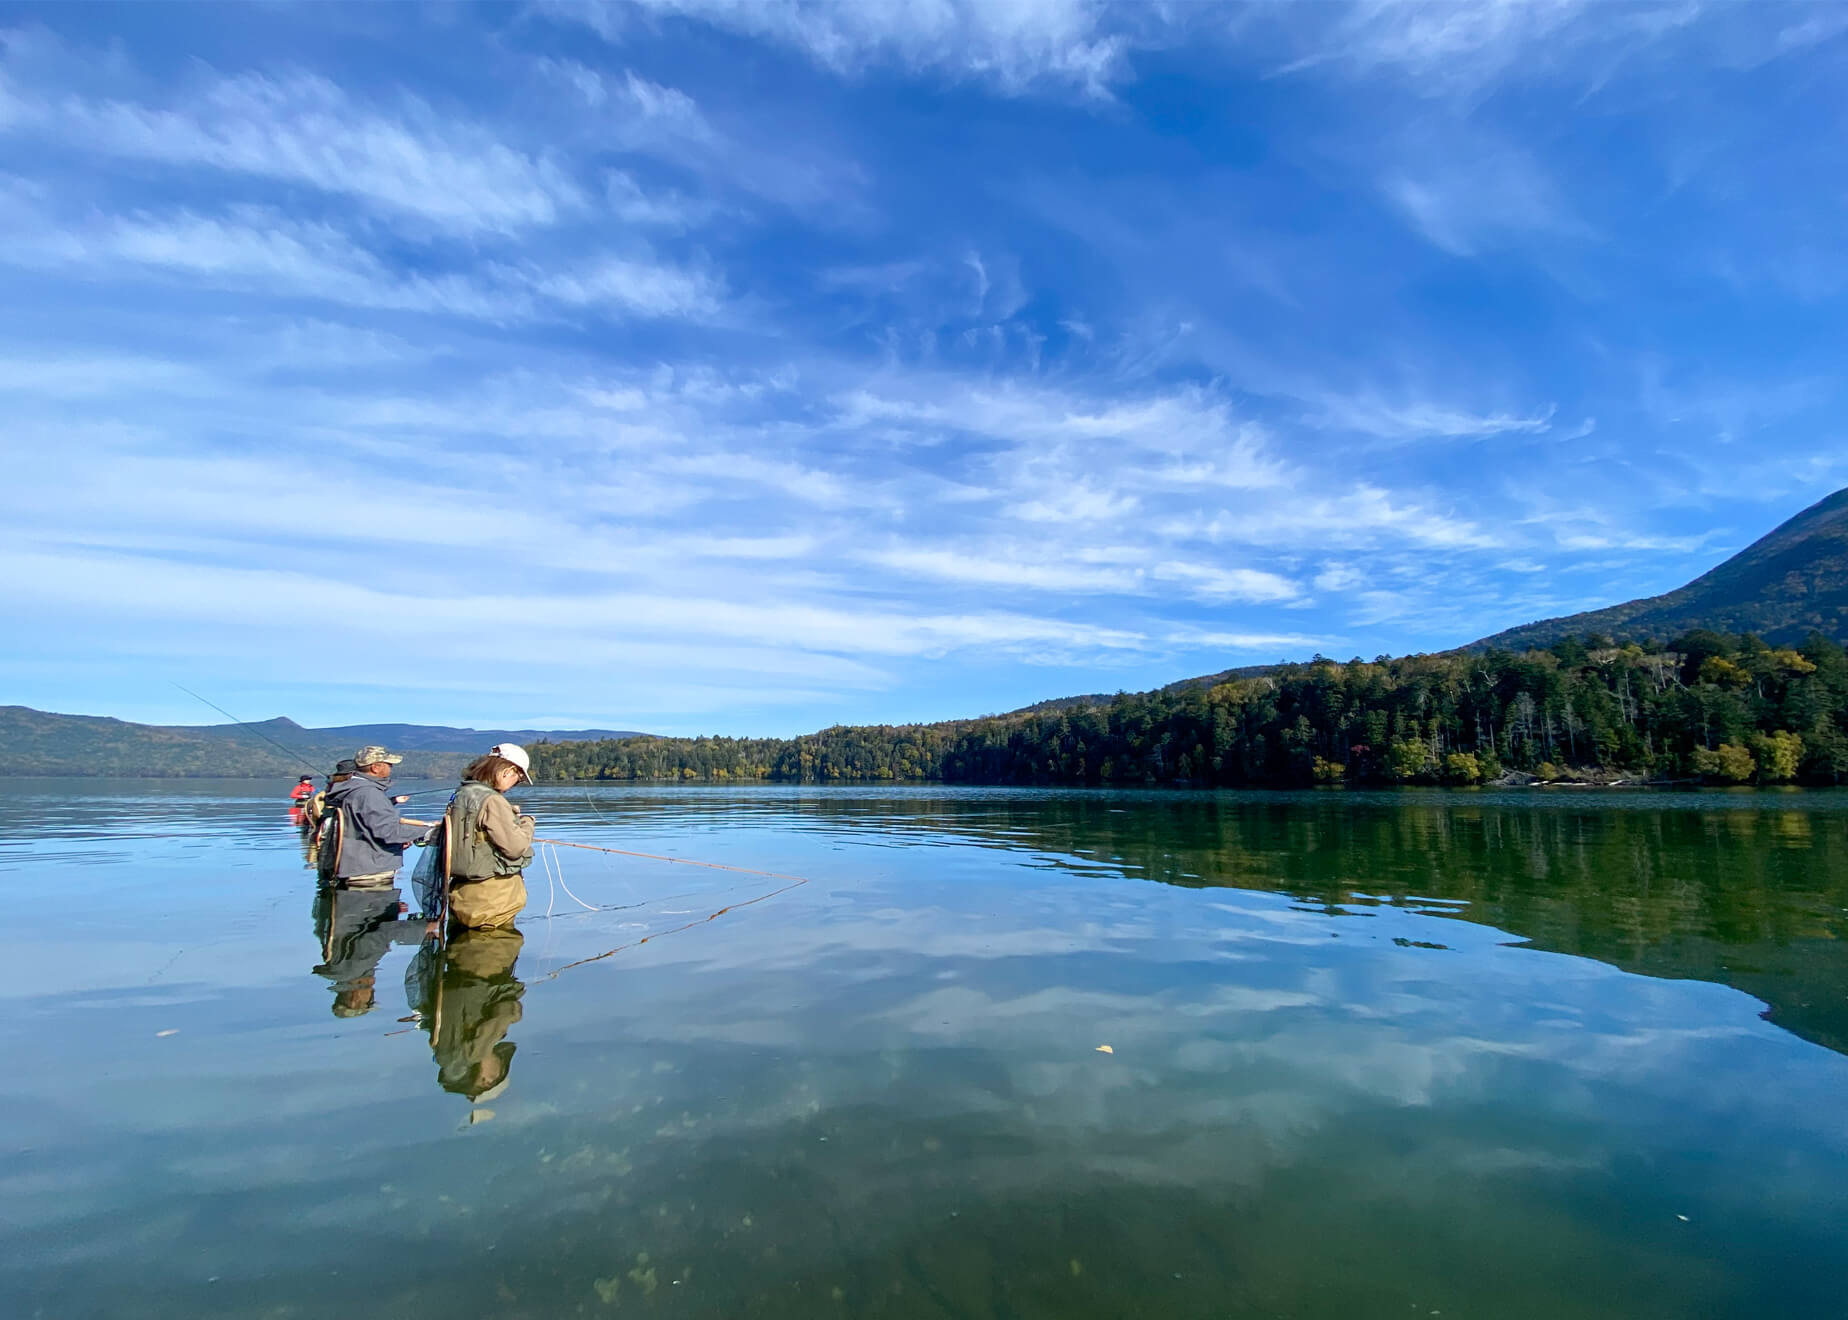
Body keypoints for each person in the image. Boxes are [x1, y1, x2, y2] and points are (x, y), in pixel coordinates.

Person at [442, 743, 536, 929]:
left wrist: (509, 814)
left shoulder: (461, 793)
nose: (515, 784)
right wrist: (527, 822)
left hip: (460, 896)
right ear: (507, 771)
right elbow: (515, 847)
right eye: (518, 779)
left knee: (462, 954)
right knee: (494, 951)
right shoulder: (493, 800)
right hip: (492, 901)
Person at [323, 745, 429, 889]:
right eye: (388, 764)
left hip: (355, 868)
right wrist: (427, 832)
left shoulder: (353, 790)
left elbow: (366, 829)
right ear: (375, 767)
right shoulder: (369, 794)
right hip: (369, 874)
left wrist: (400, 841)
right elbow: (390, 832)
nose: (391, 768)